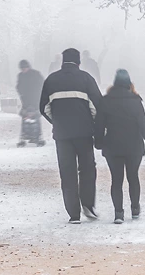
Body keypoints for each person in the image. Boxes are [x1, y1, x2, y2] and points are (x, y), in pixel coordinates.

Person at [40, 48, 103, 224]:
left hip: (62, 135)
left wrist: (58, 122)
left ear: (62, 61)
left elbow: (43, 108)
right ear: (79, 62)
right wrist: (92, 123)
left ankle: (73, 214)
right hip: (84, 133)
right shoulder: (86, 79)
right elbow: (97, 106)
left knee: (67, 172)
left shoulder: (51, 80)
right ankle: (88, 205)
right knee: (88, 169)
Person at [94, 69, 145, 224]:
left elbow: (99, 125)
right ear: (129, 83)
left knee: (116, 180)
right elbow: (144, 125)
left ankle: (118, 213)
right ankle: (135, 208)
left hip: (112, 146)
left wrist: (98, 142)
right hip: (134, 146)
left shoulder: (106, 100)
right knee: (133, 177)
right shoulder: (135, 100)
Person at [16, 60, 45, 146]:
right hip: (25, 100)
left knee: (35, 116)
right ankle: (25, 135)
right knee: (25, 116)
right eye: (22, 68)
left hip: (36, 99)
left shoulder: (36, 74)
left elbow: (41, 85)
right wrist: (21, 93)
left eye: (25, 68)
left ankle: (36, 136)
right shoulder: (21, 75)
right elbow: (19, 86)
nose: (23, 70)